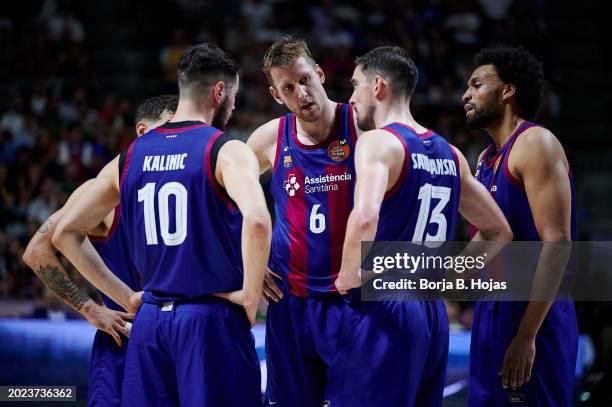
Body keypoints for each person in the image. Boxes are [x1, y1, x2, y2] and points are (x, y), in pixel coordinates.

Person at [53, 43, 271, 407]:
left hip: (151, 323)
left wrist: (126, 297)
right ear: (220, 92)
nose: (232, 106)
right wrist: (250, 297)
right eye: (232, 97)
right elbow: (259, 221)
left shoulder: (129, 156)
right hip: (208, 320)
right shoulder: (226, 149)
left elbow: (64, 234)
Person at [335, 46, 513, 407]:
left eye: (356, 86)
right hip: (431, 312)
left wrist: (348, 276)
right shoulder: (451, 153)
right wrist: (448, 278)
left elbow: (365, 216)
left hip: (385, 304)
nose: (351, 98)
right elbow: (499, 231)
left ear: (378, 86)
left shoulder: (377, 143)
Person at [23, 94, 177, 407]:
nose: (176, 142)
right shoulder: (105, 192)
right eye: (169, 130)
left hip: (176, 343)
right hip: (125, 347)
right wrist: (90, 308)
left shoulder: (188, 188)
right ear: (142, 132)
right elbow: (36, 250)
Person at [247, 36, 360, 406]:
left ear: (321, 74)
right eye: (289, 88)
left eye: (305, 79)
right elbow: (223, 199)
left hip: (353, 298)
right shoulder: (268, 139)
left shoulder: (361, 125)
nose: (302, 93)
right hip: (291, 301)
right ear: (277, 96)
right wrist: (251, 260)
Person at [462, 45, 578, 406]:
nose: (466, 94)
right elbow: (487, 237)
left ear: (508, 90)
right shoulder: (485, 159)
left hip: (533, 312)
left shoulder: (535, 143)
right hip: (491, 307)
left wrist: (527, 335)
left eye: (478, 84)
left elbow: (557, 243)